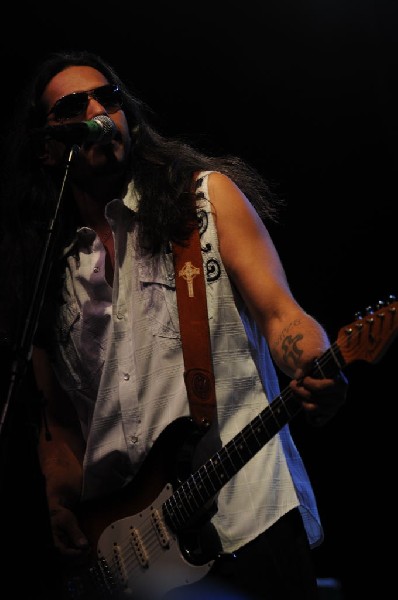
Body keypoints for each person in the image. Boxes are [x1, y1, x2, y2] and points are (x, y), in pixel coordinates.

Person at [0, 50, 347, 600]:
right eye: (74, 106)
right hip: (126, 557)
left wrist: (312, 357)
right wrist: (59, 503)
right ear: (46, 147)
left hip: (245, 515)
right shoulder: (49, 272)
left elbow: (282, 315)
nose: (98, 110)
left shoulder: (203, 202)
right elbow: (60, 423)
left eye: (108, 98)